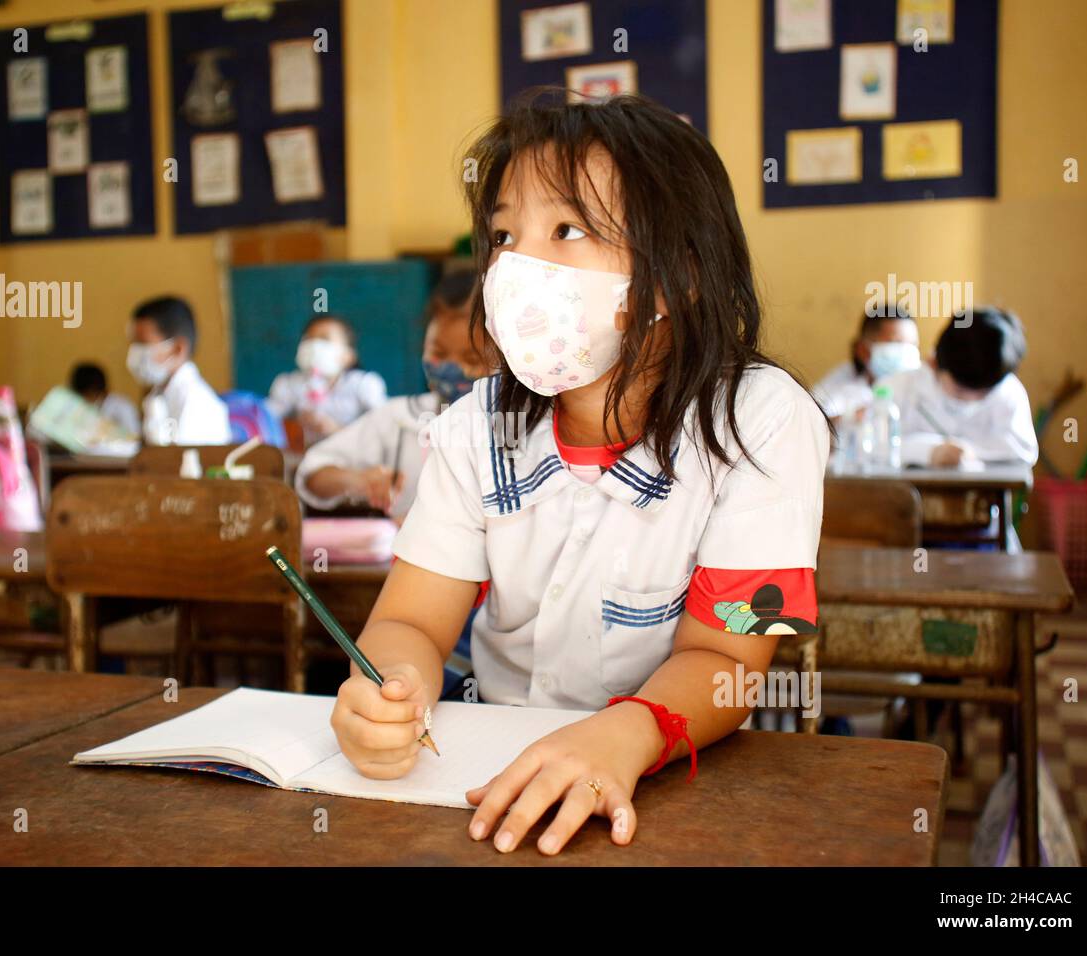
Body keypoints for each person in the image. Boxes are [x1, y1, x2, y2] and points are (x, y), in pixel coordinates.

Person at [328, 92, 830, 855]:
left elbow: (733, 659)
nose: (517, 265)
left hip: (680, 783)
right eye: (503, 234)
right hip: (484, 782)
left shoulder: (767, 420)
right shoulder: (472, 426)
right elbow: (409, 622)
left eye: (566, 229)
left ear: (679, 274)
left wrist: (621, 739)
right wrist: (388, 687)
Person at [295, 271, 488, 519]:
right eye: (437, 352)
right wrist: (359, 480)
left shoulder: (526, 426)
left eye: (472, 358)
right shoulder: (399, 417)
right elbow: (313, 474)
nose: (449, 366)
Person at [881, 306, 1037, 469]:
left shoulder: (1007, 391)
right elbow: (875, 446)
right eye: (960, 391)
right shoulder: (898, 388)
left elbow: (1024, 451)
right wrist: (928, 451)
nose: (971, 399)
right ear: (933, 363)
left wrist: (972, 451)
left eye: (983, 394)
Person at [265, 315, 387, 448]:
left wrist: (336, 430)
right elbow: (265, 420)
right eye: (309, 338)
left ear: (348, 356)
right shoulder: (288, 384)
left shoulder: (364, 384)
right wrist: (294, 427)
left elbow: (385, 428)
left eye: (325, 339)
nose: (314, 346)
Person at [127, 296, 231, 446]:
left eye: (143, 344)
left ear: (177, 349)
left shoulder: (197, 405)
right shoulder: (158, 393)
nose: (135, 353)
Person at [812, 310, 919, 423]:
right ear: (863, 349)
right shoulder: (839, 387)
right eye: (896, 343)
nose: (906, 352)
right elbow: (812, 425)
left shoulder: (922, 385)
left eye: (912, 344)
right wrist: (850, 419)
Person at [70, 361, 140, 437]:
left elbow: (134, 437)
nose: (83, 400)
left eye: (85, 396)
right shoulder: (87, 408)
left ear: (93, 391)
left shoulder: (123, 407)